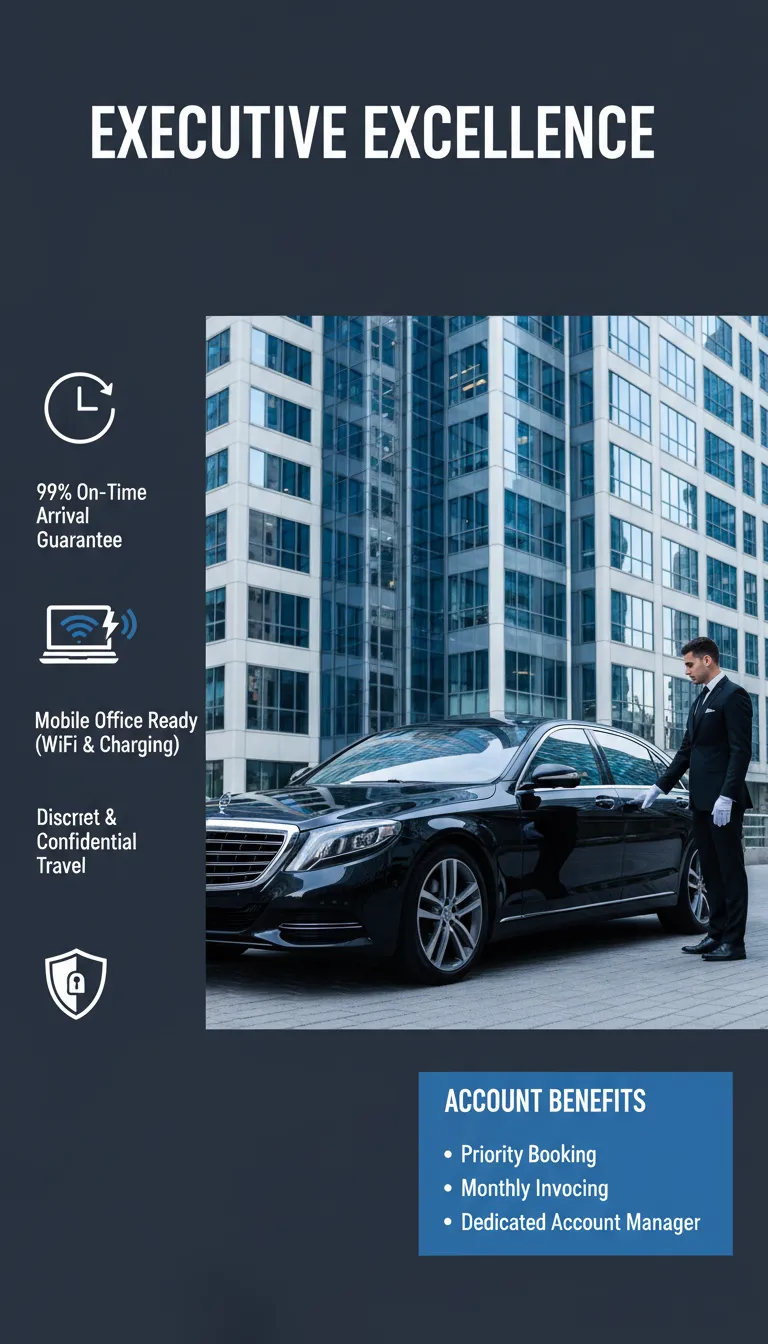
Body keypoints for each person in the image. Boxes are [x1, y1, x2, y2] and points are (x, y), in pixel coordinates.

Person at [636, 636, 752, 961]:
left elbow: (741, 751)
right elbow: (687, 751)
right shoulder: (700, 701)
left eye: (689, 664)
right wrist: (660, 786)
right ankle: (715, 935)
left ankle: (735, 943)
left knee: (730, 870)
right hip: (700, 803)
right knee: (710, 872)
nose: (686, 671)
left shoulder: (734, 696)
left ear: (707, 661)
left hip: (723, 804)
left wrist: (727, 796)